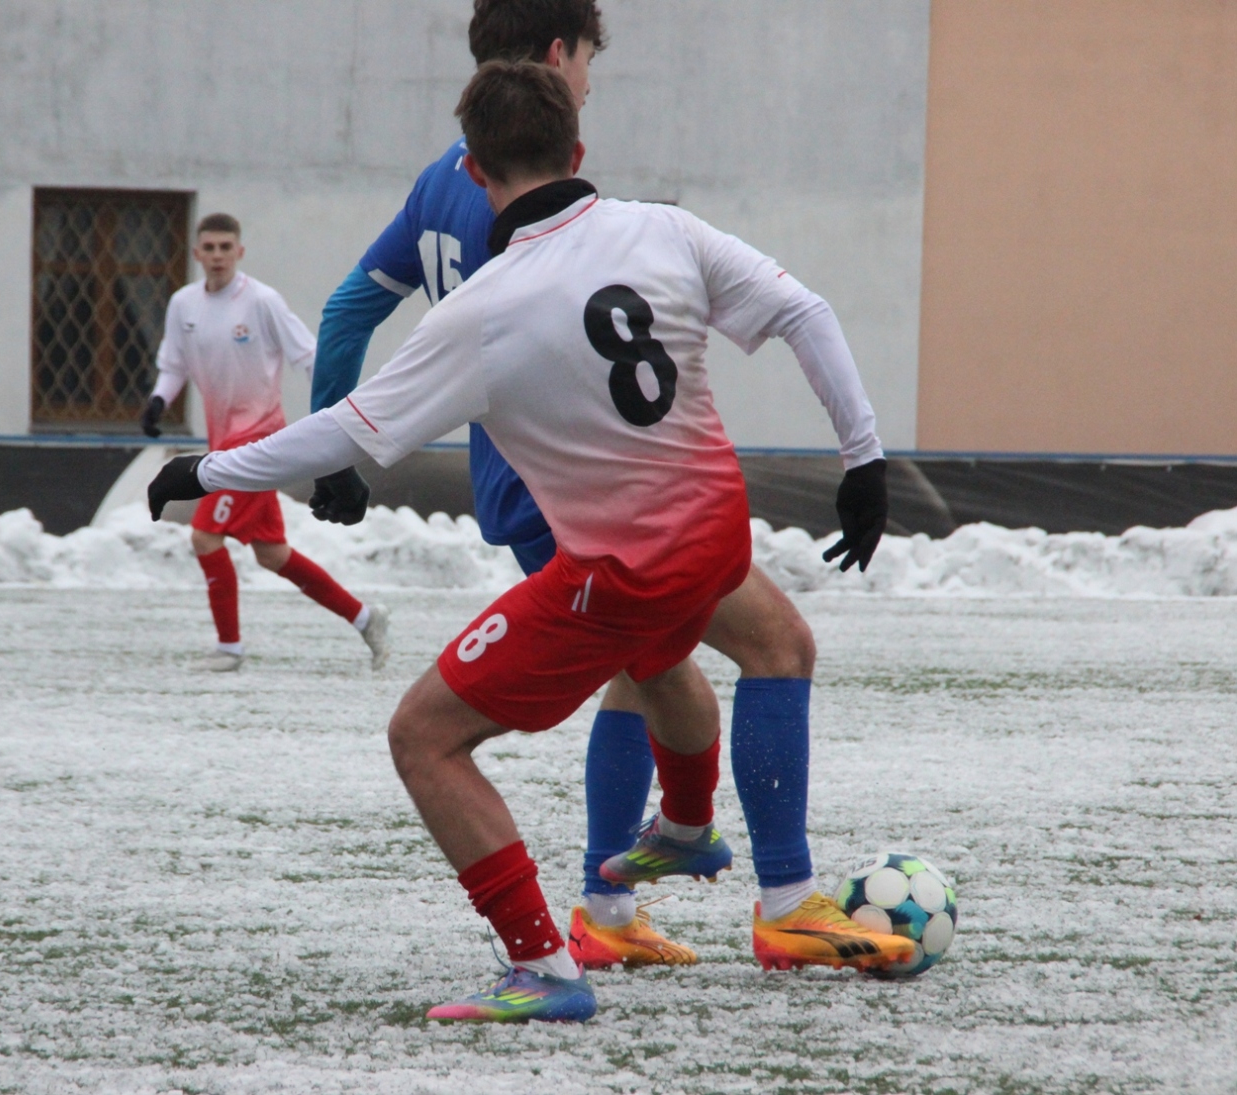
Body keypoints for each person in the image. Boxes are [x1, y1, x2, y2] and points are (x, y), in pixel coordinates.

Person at [148, 62, 914, 1021]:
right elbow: (806, 310)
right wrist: (863, 459)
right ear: (578, 148)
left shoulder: (484, 309)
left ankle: (546, 968)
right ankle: (684, 829)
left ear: (474, 172)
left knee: (424, 736)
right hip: (717, 539)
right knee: (691, 657)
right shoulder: (665, 228)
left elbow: (345, 429)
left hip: (618, 576)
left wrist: (205, 471)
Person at [308, 0, 889, 972]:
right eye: (586, 62)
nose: (588, 82)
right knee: (773, 645)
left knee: (647, 673)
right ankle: (782, 901)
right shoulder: (539, 198)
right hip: (583, 492)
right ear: (556, 55)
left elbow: (344, 311)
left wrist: (334, 449)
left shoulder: (444, 180)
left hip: (521, 490)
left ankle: (608, 909)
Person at [142, 212, 391, 673]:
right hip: (221, 442)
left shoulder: (262, 301)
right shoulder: (183, 304)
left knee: (204, 536)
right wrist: (158, 401)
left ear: (239, 252)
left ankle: (229, 649)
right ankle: (365, 618)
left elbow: (310, 357)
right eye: (209, 247)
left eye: (225, 247)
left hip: (259, 439)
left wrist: (335, 416)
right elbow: (173, 365)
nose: (217, 255)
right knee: (272, 554)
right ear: (196, 253)